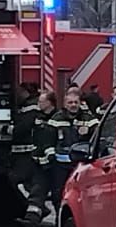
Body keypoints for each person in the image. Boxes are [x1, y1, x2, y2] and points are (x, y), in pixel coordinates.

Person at [42, 87, 99, 219]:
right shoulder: (56, 119)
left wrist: (88, 134)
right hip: (60, 166)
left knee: (80, 195)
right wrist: (51, 158)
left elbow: (97, 140)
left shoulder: (89, 119)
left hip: (80, 166)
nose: (73, 105)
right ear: (65, 104)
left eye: (75, 102)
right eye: (70, 103)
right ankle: (59, 222)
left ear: (80, 103)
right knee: (58, 195)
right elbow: (48, 142)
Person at [10, 84, 50, 227]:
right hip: (27, 154)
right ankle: (37, 210)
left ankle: (37, 210)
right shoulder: (29, 107)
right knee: (28, 185)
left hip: (27, 155)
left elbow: (22, 129)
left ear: (27, 92)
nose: (17, 94)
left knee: (17, 181)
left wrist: (6, 129)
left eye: (20, 91)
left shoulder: (30, 109)